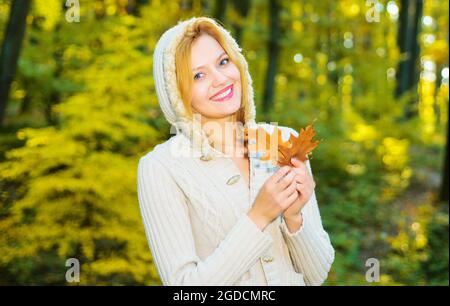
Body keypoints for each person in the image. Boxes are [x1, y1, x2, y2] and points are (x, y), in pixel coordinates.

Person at [137, 16, 334, 286]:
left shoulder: (284, 140)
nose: (220, 79)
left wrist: (294, 217)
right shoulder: (160, 168)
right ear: (177, 93)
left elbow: (318, 274)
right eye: (198, 75)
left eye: (223, 62)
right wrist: (259, 217)